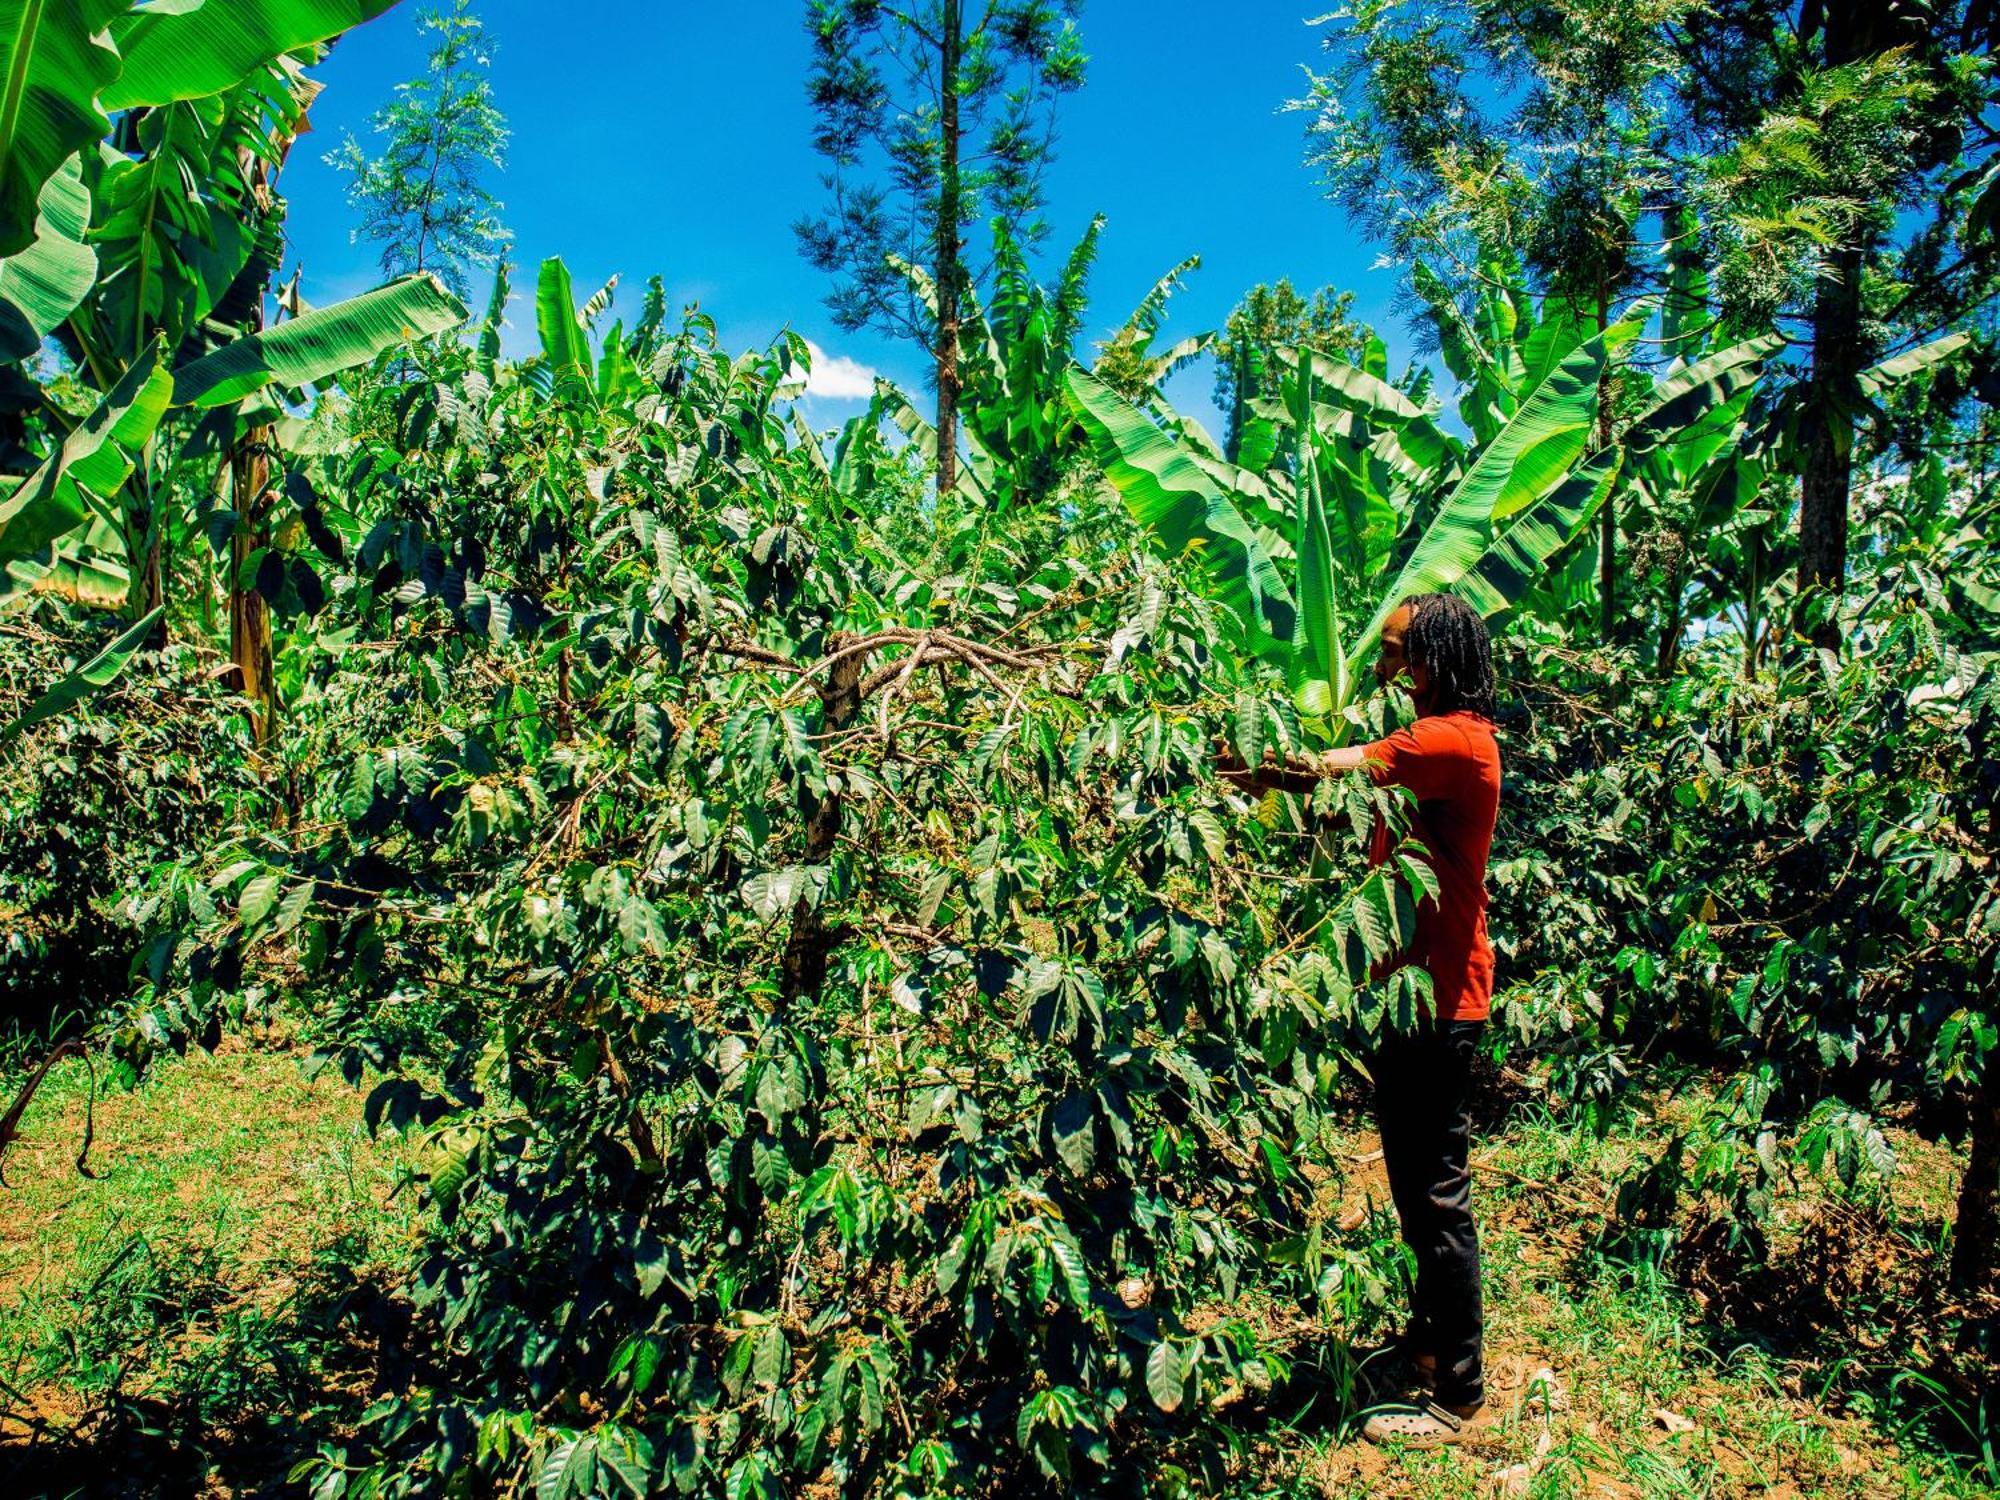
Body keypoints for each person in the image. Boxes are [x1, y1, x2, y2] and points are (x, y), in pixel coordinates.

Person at [1216, 592, 1501, 1449]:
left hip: (1440, 998)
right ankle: (1425, 1349)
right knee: (1417, 1186)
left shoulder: (1448, 740)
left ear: (1437, 657)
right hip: (1407, 991)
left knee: (1436, 1191)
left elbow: (1334, 768)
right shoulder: (1437, 743)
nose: (1387, 668)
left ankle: (1459, 1390)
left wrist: (1252, 762)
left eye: (1398, 652)